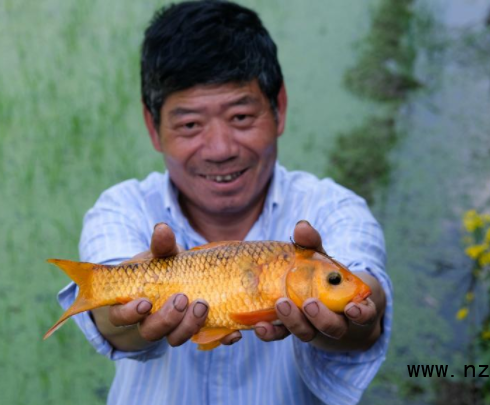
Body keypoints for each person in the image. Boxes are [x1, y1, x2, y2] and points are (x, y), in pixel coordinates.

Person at [57, 1, 393, 404]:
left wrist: (358, 317)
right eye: (190, 124)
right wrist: (124, 317)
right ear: (153, 127)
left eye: (241, 117)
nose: (219, 149)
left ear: (279, 107)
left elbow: (368, 303)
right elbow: (109, 323)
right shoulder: (122, 208)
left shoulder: (335, 208)